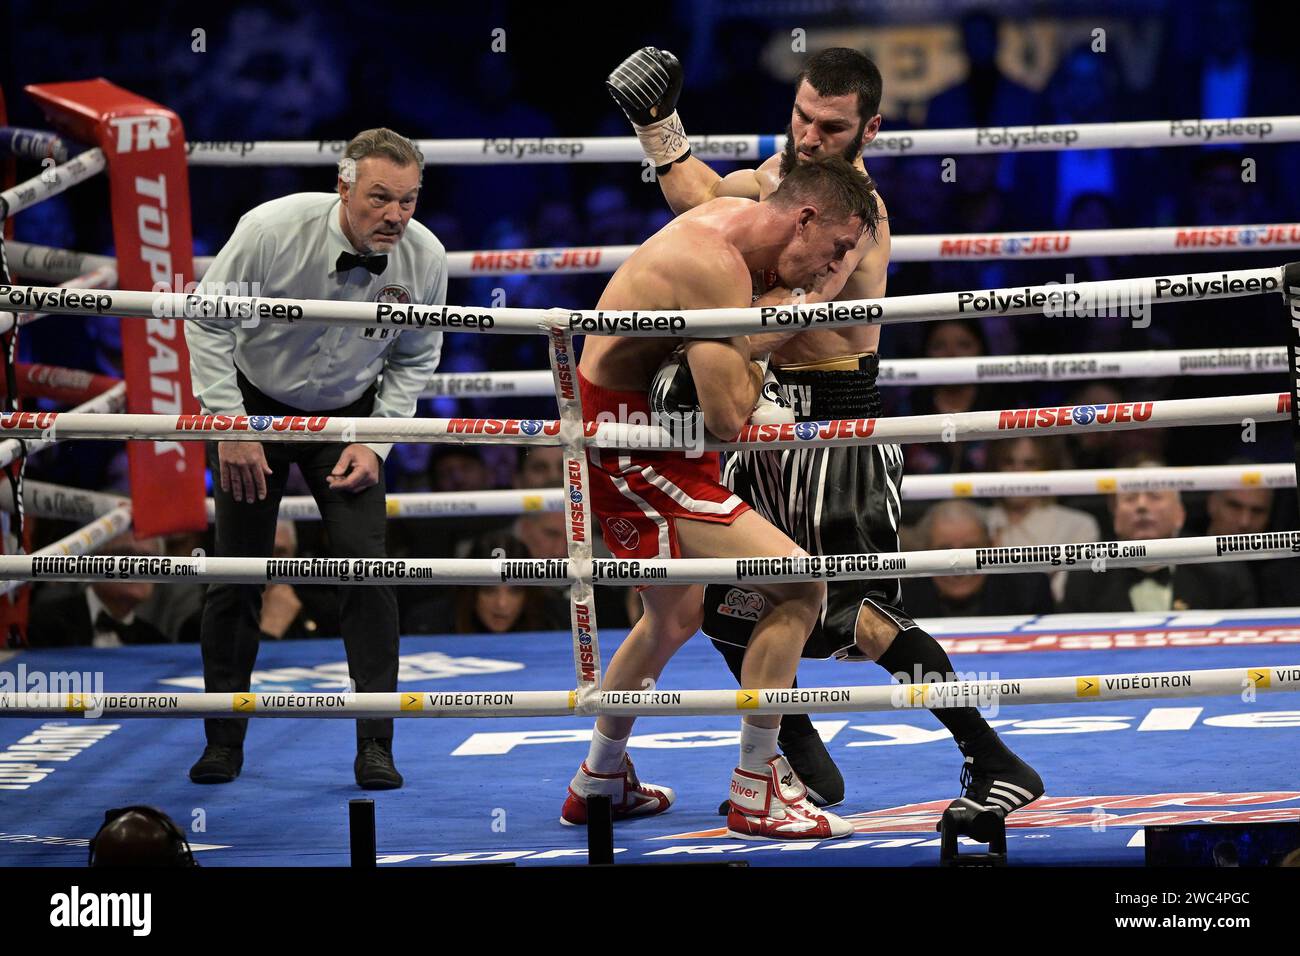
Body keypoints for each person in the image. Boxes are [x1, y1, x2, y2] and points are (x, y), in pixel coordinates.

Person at [607, 45, 1042, 818]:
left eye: (830, 127)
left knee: (852, 612)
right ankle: (787, 744)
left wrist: (715, 332)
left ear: (868, 128)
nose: (809, 136)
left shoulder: (854, 218)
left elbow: (783, 306)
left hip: (833, 422)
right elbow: (704, 202)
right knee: (723, 597)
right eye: (802, 115)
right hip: (762, 416)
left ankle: (990, 755)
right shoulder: (776, 185)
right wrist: (659, 129)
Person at [564, 156, 874, 840]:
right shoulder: (714, 264)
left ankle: (599, 779)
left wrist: (776, 316)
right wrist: (806, 308)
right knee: (800, 586)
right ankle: (756, 787)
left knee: (673, 620)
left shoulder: (738, 232)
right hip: (631, 447)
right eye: (839, 248)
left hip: (655, 434)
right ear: (805, 218)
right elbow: (731, 415)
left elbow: (733, 339)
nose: (836, 264)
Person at [183, 128, 445, 790]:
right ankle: (223, 740)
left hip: (347, 415)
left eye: (409, 201)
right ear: (345, 187)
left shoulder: (425, 258)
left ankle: (376, 745)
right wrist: (231, 425)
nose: (395, 216)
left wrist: (375, 439)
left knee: (368, 571)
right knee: (237, 572)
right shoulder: (271, 229)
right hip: (253, 402)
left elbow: (415, 356)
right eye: (381, 198)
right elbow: (207, 321)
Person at [1061, 458, 1256, 612]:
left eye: (1155, 496)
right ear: (1115, 517)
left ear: (1180, 514)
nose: (1142, 506)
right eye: (1130, 498)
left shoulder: (1223, 572)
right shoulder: (1085, 577)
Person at [984, 436, 1100, 603]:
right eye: (1008, 462)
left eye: (1029, 464)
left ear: (1047, 468)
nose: (1017, 472)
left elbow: (1063, 597)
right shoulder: (974, 522)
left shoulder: (1078, 526)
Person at [903, 502, 1054, 619]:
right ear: (924, 552)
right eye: (945, 551)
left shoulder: (1029, 591)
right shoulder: (903, 601)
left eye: (970, 550)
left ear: (991, 546)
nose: (958, 566)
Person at [27, 534, 169, 647]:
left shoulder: (156, 642)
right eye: (124, 554)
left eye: (147, 559)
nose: (136, 566)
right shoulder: (44, 623)